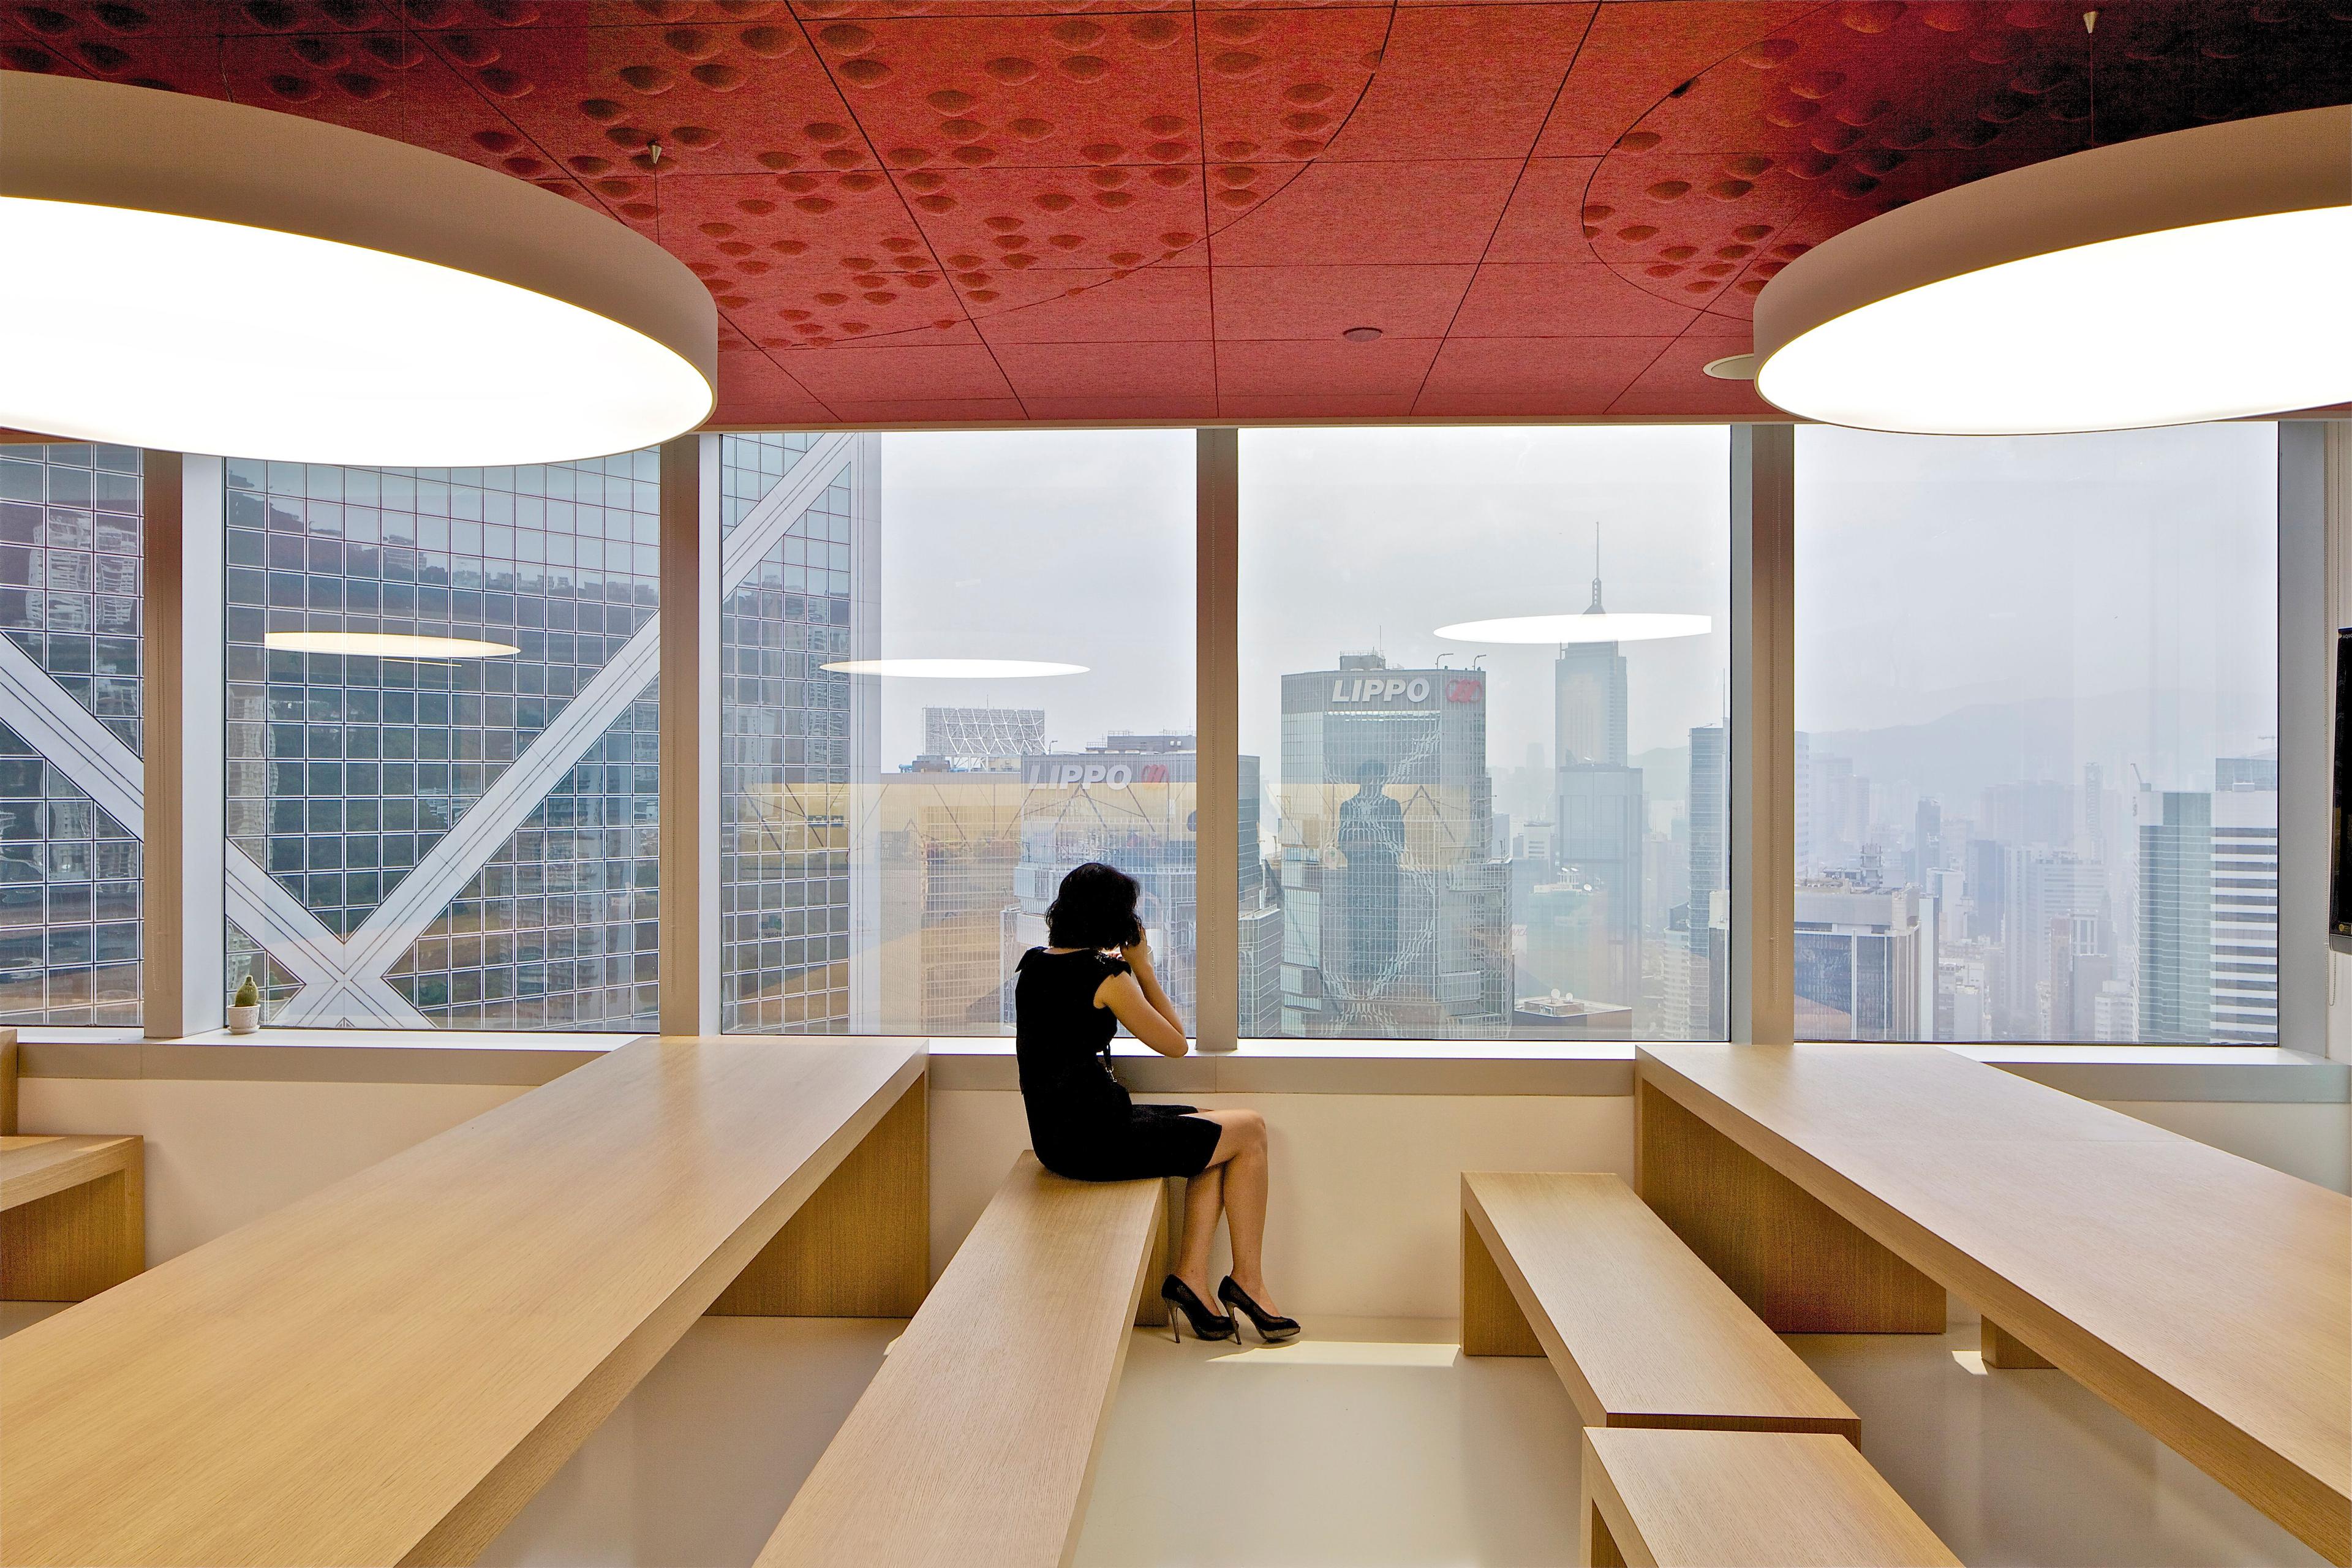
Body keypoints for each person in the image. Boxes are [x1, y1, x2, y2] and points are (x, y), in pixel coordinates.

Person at [1012, 861, 1298, 1345]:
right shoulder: (1106, 978)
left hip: (1057, 1139)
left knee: (1209, 1128)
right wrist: (1142, 965)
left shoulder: (1033, 965)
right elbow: (1175, 1043)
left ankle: (1191, 1279)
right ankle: (1247, 1280)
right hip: (1098, 1139)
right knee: (1250, 1129)